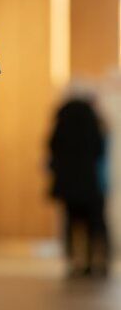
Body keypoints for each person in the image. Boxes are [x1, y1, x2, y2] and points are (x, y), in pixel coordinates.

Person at [47, 91, 110, 278]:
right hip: (91, 183)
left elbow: (52, 147)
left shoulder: (62, 119)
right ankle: (98, 262)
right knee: (96, 224)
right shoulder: (93, 120)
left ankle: (76, 262)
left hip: (68, 184)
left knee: (73, 222)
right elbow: (100, 150)